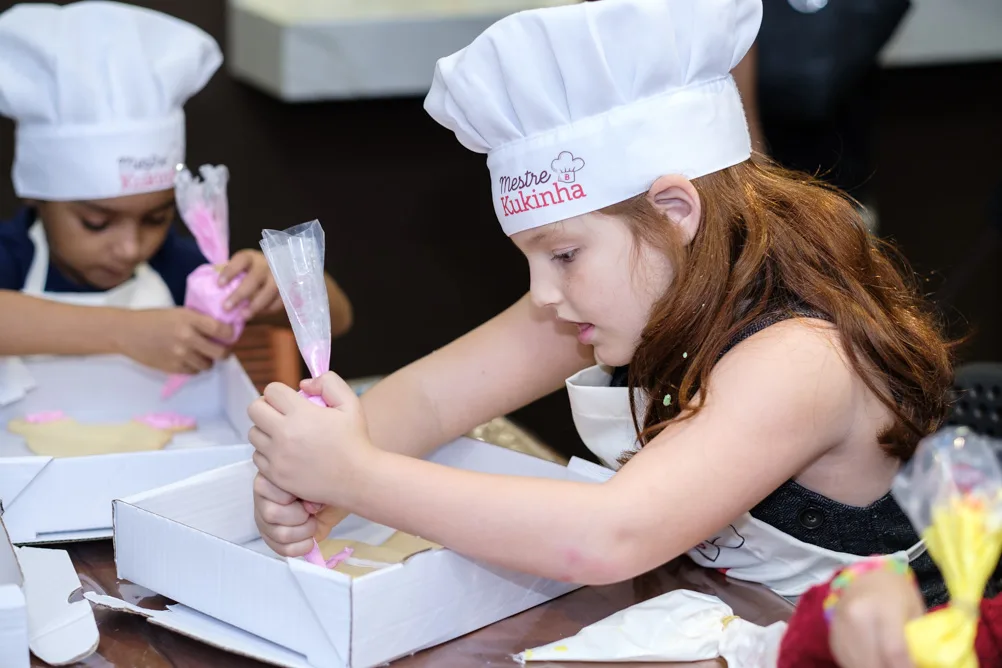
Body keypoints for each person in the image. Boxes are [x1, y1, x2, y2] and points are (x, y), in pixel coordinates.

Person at [247, 0, 956, 604]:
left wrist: (359, 476)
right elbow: (432, 399)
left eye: (562, 255)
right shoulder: (623, 295)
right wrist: (322, 481)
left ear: (675, 211)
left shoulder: (801, 358)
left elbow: (613, 535)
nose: (543, 294)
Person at [0, 1, 352, 377]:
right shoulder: (12, 256)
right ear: (37, 195)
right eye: (96, 222)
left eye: (155, 219)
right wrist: (124, 332)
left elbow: (341, 316)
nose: (130, 247)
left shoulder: (175, 266)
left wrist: (278, 282)